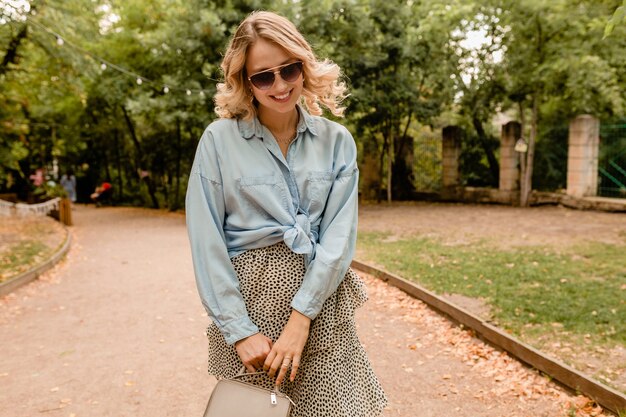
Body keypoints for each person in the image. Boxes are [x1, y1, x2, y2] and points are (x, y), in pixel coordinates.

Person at [186, 11, 387, 417]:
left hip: (321, 308)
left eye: (289, 69)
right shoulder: (218, 140)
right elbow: (207, 242)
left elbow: (338, 237)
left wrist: (301, 319)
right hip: (251, 314)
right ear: (245, 81)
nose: (279, 85)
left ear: (303, 65)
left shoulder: (336, 141)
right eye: (263, 76)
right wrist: (239, 331)